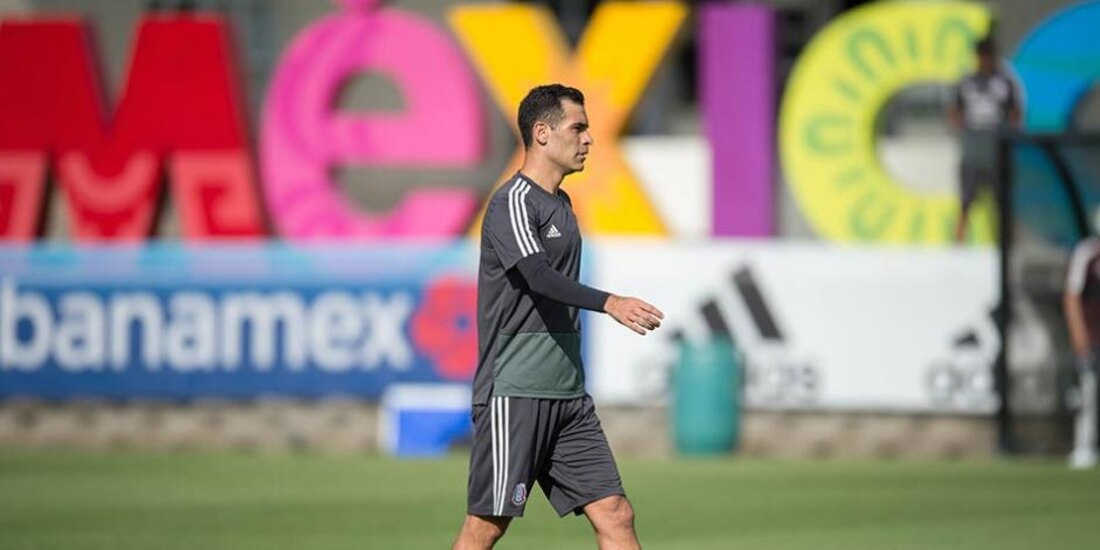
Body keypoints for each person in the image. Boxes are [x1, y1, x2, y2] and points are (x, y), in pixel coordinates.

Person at [452, 84, 665, 550]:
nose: (589, 139)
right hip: (515, 391)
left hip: (567, 393)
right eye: (578, 127)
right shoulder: (512, 201)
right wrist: (610, 302)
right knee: (486, 526)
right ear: (542, 133)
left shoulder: (563, 206)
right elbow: (538, 276)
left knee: (616, 512)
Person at [949, 36, 1021, 243]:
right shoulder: (967, 82)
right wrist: (963, 130)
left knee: (1002, 201)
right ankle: (958, 241)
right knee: (966, 200)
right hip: (973, 151)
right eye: (982, 56)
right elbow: (954, 111)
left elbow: (1015, 112)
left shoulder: (1004, 82)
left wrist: (1008, 133)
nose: (985, 60)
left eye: (988, 56)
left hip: (997, 151)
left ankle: (1006, 242)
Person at [1064, 236, 1100, 469]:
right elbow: (1072, 295)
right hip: (1093, 336)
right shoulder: (1088, 253)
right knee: (1088, 391)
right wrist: (1079, 334)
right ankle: (1085, 447)